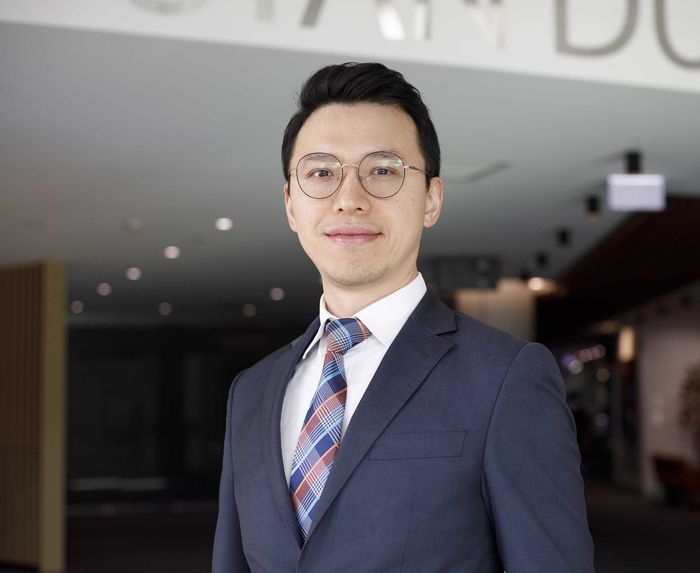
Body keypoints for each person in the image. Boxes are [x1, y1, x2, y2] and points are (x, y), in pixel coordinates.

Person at [213, 62, 594, 573]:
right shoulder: (252, 392)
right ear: (290, 204)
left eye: (383, 171)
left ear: (431, 199)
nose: (349, 200)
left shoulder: (506, 377)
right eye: (321, 173)